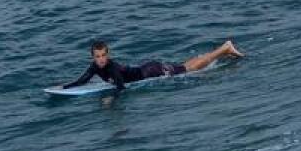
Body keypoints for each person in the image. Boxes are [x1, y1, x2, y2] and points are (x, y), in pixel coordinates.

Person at [58, 40, 244, 92]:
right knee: (184, 66)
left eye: (103, 55)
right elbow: (83, 79)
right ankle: (223, 51)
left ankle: (224, 48)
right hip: (148, 68)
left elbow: (121, 86)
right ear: (92, 56)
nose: (100, 59)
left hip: (152, 71)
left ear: (108, 55)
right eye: (97, 56)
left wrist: (110, 100)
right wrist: (65, 87)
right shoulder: (94, 67)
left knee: (190, 69)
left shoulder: (112, 67)